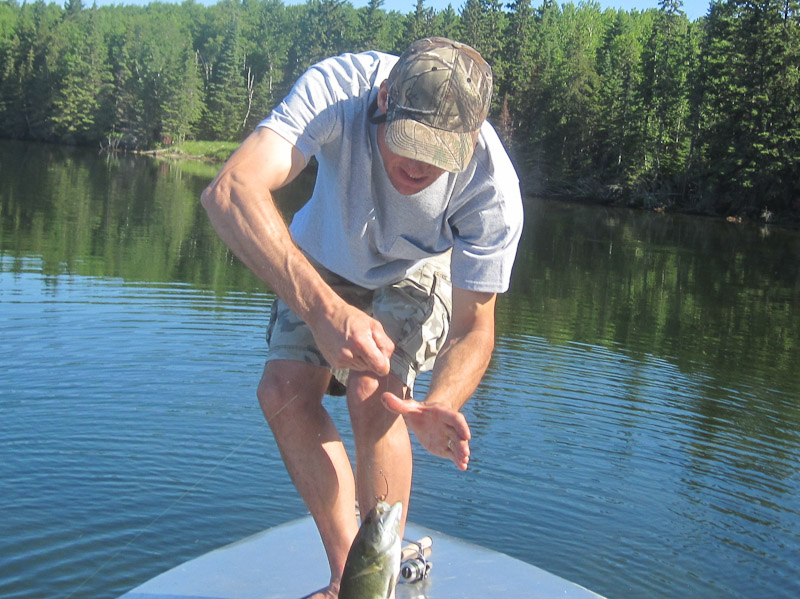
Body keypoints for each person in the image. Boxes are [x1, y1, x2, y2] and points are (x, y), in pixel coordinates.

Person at [201, 37, 523, 598]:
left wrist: (440, 403)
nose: (419, 165)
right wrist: (323, 311)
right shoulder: (338, 91)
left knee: (377, 392)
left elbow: (475, 328)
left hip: (419, 265)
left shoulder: (492, 188)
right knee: (281, 391)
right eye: (410, 141)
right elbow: (230, 191)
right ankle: (348, 577)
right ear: (382, 101)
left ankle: (379, 586)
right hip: (325, 251)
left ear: (471, 140)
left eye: (440, 153)